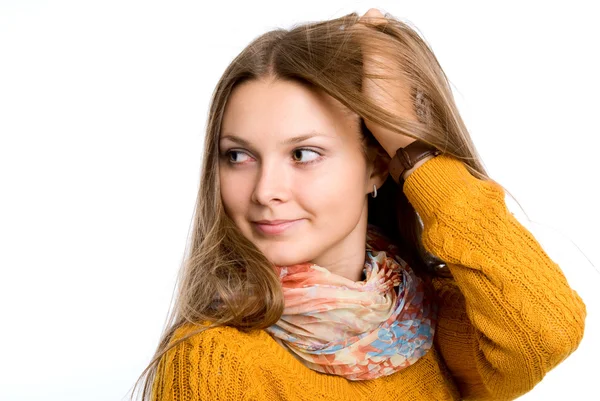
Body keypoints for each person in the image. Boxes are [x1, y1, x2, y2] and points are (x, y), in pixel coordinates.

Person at [131, 9, 586, 401]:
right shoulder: (215, 359)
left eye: (303, 154)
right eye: (239, 156)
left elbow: (545, 332)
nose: (265, 190)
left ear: (377, 165)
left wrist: (415, 151)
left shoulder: (426, 321)